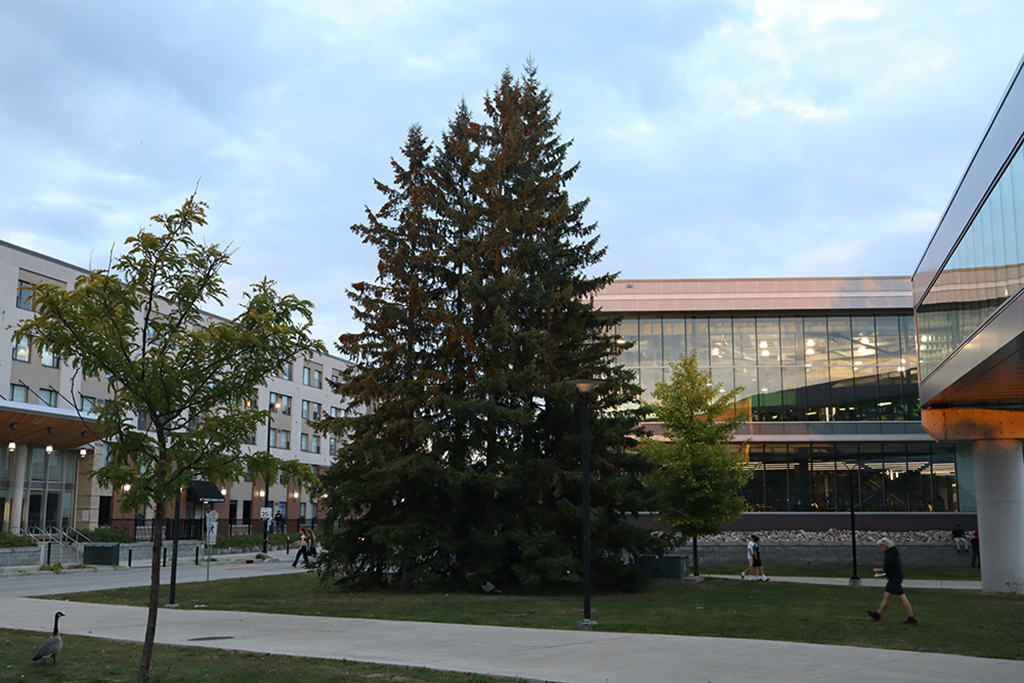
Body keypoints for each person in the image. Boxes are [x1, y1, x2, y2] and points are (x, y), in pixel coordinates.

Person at [867, 537, 917, 624]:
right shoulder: (893, 553)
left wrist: (877, 570)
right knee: (886, 596)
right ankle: (877, 614)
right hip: (894, 577)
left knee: (902, 596)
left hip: (894, 578)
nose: (880, 549)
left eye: (880, 547)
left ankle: (911, 617)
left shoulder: (889, 555)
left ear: (884, 546)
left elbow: (886, 568)